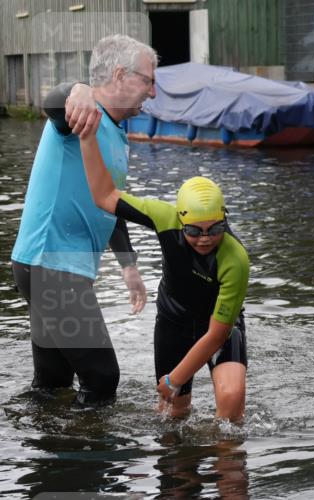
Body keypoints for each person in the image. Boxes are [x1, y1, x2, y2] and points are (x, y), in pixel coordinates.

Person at [11, 34, 157, 405]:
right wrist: (77, 88)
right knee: (102, 377)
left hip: (51, 267)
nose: (153, 93)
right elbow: (54, 104)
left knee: (53, 382)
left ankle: (48, 454)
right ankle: (91, 457)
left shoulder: (116, 131)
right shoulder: (78, 116)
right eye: (149, 80)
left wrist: (128, 266)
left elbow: (109, 202)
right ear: (121, 75)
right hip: (51, 265)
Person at [79, 112, 250, 422]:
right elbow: (104, 196)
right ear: (180, 220)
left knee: (231, 400)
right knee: (174, 414)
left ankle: (228, 462)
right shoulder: (163, 217)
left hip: (219, 329)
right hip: (174, 322)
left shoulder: (235, 258)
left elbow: (216, 335)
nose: (204, 239)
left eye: (215, 229)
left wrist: (175, 379)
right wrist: (86, 137)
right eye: (194, 231)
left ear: (225, 220)